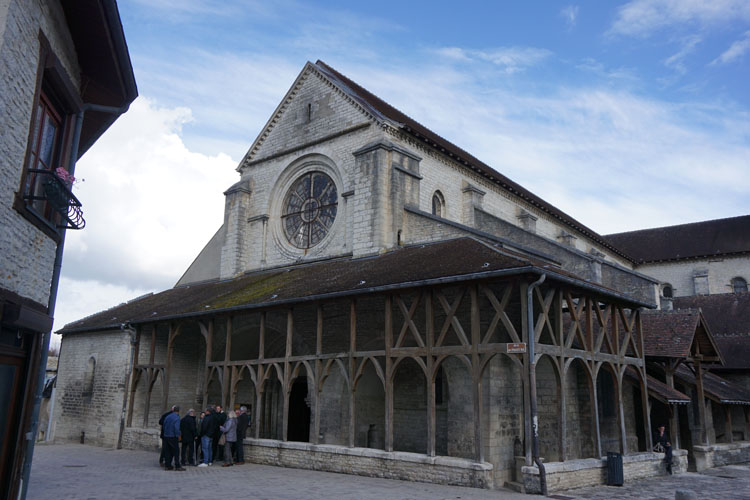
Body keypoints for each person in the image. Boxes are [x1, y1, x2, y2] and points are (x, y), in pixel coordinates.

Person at [162, 405, 185, 471]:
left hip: (166, 436)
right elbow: (176, 428)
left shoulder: (168, 416)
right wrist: (178, 436)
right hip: (173, 436)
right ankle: (177, 465)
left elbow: (164, 426)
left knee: (168, 451)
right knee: (176, 451)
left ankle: (167, 465)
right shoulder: (177, 417)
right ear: (178, 411)